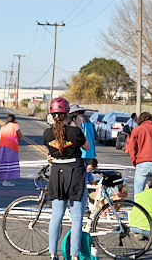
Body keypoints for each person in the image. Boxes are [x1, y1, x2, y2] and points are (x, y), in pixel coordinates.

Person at [43, 97, 90, 260]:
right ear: (67, 114)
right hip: (75, 174)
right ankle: (75, 255)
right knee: (76, 218)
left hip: (56, 175)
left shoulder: (47, 133)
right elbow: (87, 147)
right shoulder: (75, 131)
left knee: (56, 217)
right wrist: (78, 126)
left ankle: (52, 253)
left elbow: (51, 150)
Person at [127, 112, 152, 198]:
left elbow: (132, 148)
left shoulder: (137, 129)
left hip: (143, 162)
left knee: (139, 192)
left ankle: (139, 209)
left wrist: (134, 161)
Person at [0, 114, 23, 187]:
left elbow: (0, 137)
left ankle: (4, 179)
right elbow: (20, 136)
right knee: (10, 163)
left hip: (1, 146)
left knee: (3, 162)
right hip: (11, 146)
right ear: (14, 120)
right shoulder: (15, 126)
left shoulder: (3, 127)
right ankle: (6, 180)